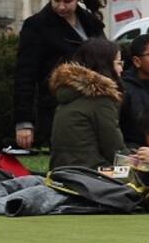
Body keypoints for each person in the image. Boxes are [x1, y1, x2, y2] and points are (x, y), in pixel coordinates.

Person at [14, 0, 107, 150]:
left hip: (94, 104)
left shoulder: (91, 22)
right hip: (57, 107)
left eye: (68, 1)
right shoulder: (36, 26)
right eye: (56, 0)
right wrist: (24, 122)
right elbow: (24, 76)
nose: (61, 7)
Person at [48, 38, 126, 171]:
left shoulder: (69, 94)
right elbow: (114, 150)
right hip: (90, 172)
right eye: (119, 63)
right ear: (105, 64)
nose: (121, 69)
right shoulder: (101, 99)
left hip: (60, 170)